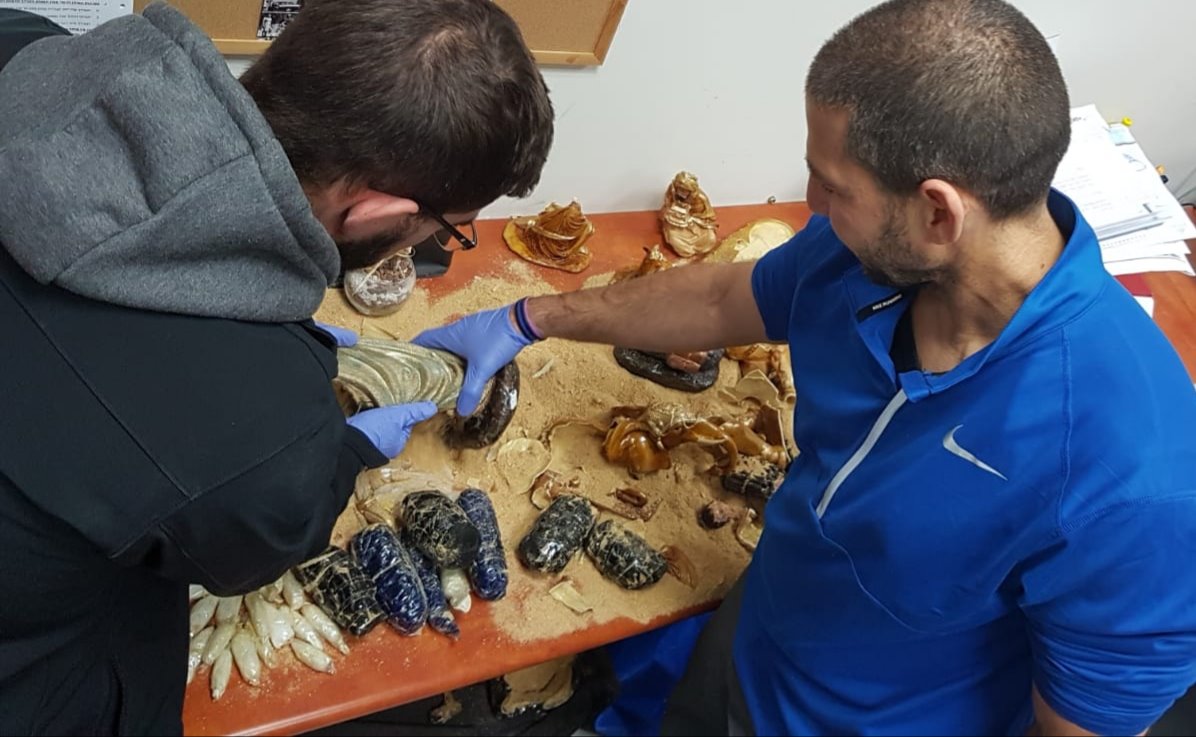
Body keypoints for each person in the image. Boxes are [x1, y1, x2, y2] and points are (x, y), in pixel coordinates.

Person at [412, 0, 1196, 734]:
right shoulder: (867, 257)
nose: (812, 201)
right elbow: (723, 297)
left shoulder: (1135, 481)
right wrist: (529, 318)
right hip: (760, 630)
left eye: (834, 185)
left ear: (938, 211)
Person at [0, 0, 552, 733]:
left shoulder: (22, 45)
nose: (442, 241)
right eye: (448, 228)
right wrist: (339, 451)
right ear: (375, 212)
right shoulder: (262, 442)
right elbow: (249, 552)